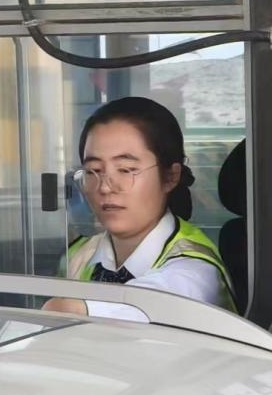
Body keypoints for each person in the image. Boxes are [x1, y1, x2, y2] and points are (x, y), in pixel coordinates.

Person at [44, 97, 236, 319]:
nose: (105, 187)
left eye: (126, 170)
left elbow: (158, 301)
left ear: (170, 176)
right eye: (93, 170)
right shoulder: (78, 255)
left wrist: (73, 309)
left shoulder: (196, 269)